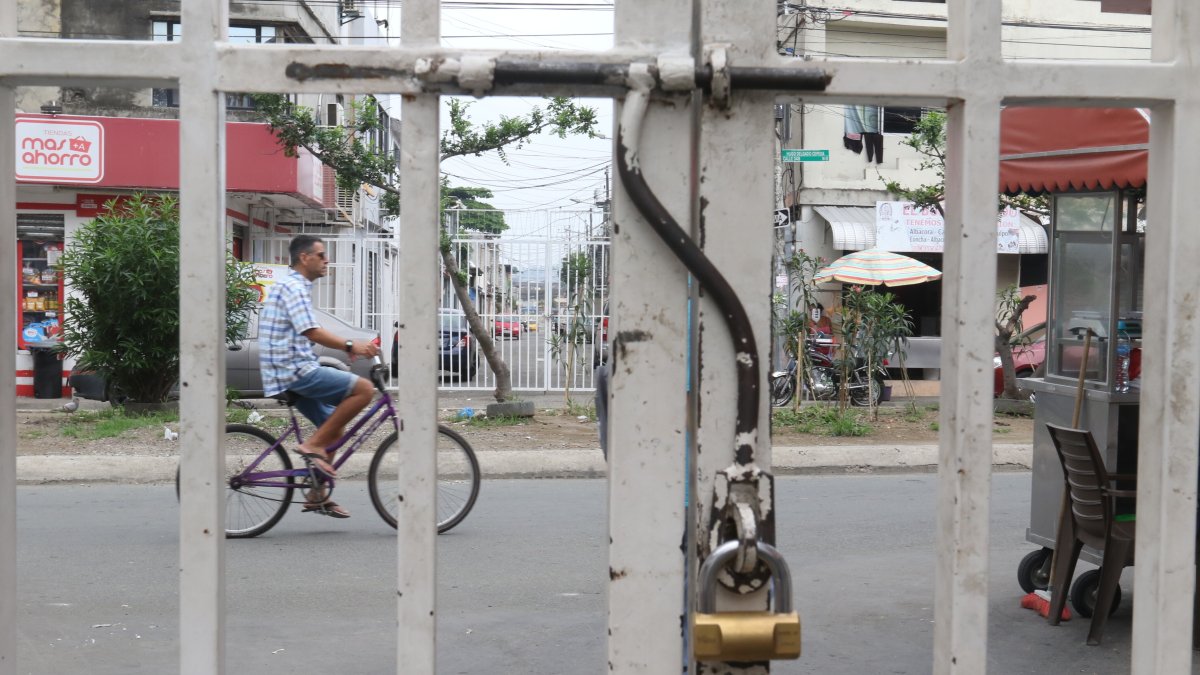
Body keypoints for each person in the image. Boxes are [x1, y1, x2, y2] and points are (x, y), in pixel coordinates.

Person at [259, 234, 380, 518]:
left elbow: (309, 330)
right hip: (293, 370)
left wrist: (347, 346)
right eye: (322, 255)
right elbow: (311, 331)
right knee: (363, 389)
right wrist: (351, 345)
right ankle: (312, 446)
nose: (327, 261)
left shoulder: (294, 286)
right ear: (305, 258)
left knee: (334, 429)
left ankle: (316, 494)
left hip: (289, 368)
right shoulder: (293, 286)